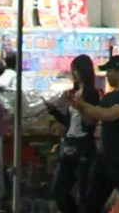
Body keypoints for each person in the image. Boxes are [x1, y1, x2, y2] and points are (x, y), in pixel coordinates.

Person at [72, 55, 119, 213]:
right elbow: (91, 120)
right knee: (91, 201)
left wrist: (84, 105)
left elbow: (109, 115)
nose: (107, 75)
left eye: (110, 71)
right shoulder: (108, 97)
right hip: (104, 156)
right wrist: (79, 107)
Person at [49, 55, 100, 213]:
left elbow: (90, 121)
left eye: (76, 70)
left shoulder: (91, 94)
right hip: (69, 143)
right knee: (58, 191)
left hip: (83, 145)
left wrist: (80, 106)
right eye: (72, 71)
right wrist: (54, 111)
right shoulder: (74, 93)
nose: (73, 74)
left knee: (85, 192)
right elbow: (69, 121)